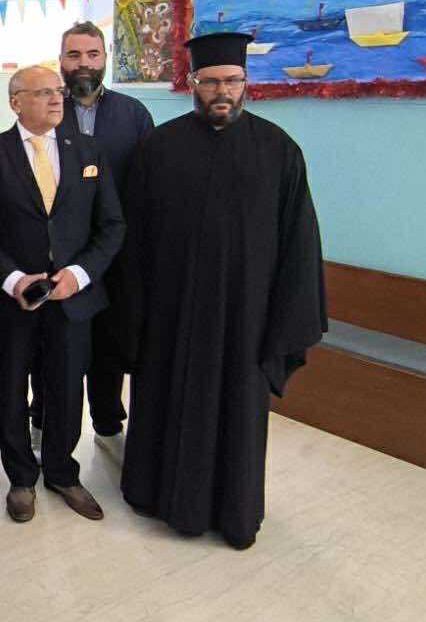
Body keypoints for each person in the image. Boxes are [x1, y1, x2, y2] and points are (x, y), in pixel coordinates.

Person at [120, 32, 326, 550]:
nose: (222, 92)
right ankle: (155, 496)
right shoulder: (158, 149)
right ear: (192, 83)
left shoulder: (278, 150)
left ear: (245, 82)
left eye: (232, 81)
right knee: (163, 401)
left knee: (237, 413)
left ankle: (235, 513)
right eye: (210, 82)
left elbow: (299, 244)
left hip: (245, 321)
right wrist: (134, 316)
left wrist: (283, 322)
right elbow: (135, 241)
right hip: (172, 316)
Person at [0, 65, 124, 523]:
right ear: (16, 102)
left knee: (68, 388)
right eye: (43, 92)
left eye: (59, 91)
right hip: (14, 301)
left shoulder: (87, 150)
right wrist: (13, 279)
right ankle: (21, 478)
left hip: (72, 299)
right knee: (10, 389)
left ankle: (62, 472)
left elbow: (112, 225)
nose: (57, 99)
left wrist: (80, 274)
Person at [58, 22, 155, 445]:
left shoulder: (133, 115)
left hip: (119, 252)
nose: (84, 63)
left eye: (92, 54)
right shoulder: (46, 110)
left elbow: (151, 185)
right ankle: (46, 421)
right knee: (57, 346)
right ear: (61, 61)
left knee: (111, 340)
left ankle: (108, 422)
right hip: (60, 252)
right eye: (74, 55)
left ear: (105, 58)